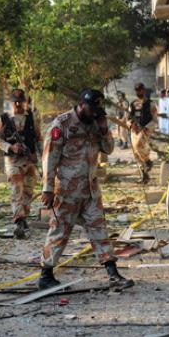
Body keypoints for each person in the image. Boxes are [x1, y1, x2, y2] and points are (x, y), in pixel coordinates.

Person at [38, 89, 134, 290]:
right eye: (92, 109)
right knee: (59, 231)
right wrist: (47, 189)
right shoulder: (62, 124)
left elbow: (108, 149)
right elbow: (49, 158)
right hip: (66, 190)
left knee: (99, 229)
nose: (94, 113)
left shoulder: (96, 124)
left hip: (90, 190)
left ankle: (112, 273)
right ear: (81, 104)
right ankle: (46, 275)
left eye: (98, 110)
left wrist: (104, 128)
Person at [0, 89, 42, 239]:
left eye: (20, 101)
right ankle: (19, 220)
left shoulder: (32, 117)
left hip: (29, 161)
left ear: (25, 102)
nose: (17, 104)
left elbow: (38, 139)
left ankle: (24, 217)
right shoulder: (4, 119)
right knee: (16, 191)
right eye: (14, 102)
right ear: (10, 102)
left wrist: (41, 157)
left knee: (28, 191)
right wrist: (10, 147)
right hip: (13, 161)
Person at [127, 83, 158, 183]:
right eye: (136, 90)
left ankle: (148, 161)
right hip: (134, 131)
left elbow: (155, 120)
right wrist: (131, 124)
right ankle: (144, 175)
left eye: (140, 90)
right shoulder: (133, 104)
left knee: (139, 145)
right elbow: (128, 118)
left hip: (145, 130)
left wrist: (146, 128)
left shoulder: (151, 104)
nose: (138, 92)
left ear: (144, 90)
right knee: (136, 153)